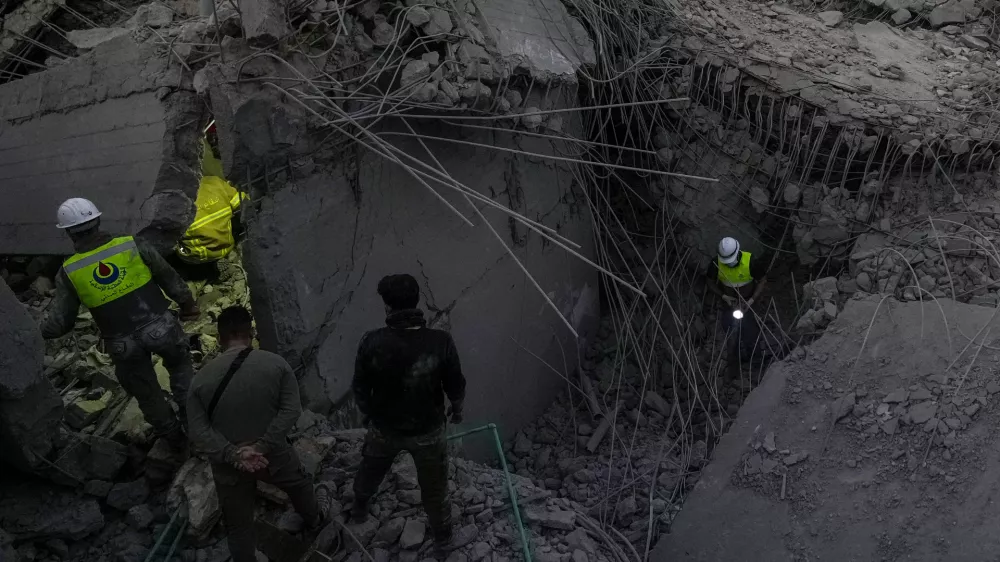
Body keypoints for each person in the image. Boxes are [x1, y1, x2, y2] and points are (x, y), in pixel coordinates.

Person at [41, 198, 200, 447]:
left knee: (147, 392)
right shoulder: (131, 244)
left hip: (122, 345)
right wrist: (188, 304)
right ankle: (195, 425)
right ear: (97, 220)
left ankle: (174, 439)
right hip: (160, 326)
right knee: (180, 368)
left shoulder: (69, 271)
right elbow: (167, 275)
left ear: (69, 231)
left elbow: (60, 323)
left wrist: (34, 332)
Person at [187, 306, 323, 562]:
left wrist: (233, 453)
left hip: (229, 465)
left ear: (219, 338)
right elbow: (291, 410)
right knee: (300, 485)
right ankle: (315, 521)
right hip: (273, 455)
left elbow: (198, 430)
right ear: (251, 333)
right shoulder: (276, 364)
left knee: (238, 525)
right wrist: (261, 447)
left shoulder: (200, 380)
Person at [351, 274, 466, 552]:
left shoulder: (372, 341)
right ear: (416, 301)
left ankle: (359, 508)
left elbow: (360, 386)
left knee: (370, 470)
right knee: (435, 488)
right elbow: (455, 383)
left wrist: (368, 414)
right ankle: (443, 539)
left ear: (388, 307)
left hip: (384, 429)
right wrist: (457, 409)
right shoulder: (441, 341)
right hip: (428, 431)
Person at [707, 236, 769, 379]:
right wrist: (724, 296)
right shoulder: (716, 263)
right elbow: (709, 281)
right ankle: (734, 362)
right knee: (730, 331)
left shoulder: (750, 261)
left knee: (751, 333)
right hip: (729, 303)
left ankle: (757, 362)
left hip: (748, 302)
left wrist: (752, 300)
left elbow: (762, 280)